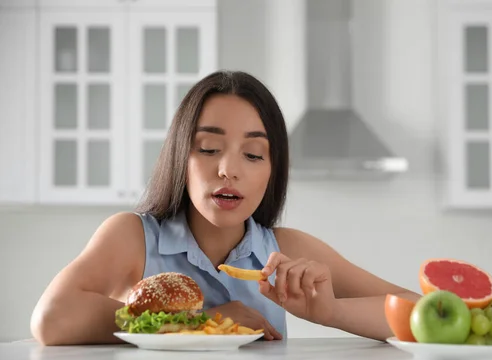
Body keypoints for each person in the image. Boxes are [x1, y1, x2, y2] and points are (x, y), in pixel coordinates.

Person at [30, 70, 420, 345]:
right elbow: (52, 319)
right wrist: (203, 322)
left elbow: (416, 312)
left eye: (252, 154)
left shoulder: (286, 250)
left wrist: (331, 313)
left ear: (273, 171)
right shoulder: (133, 237)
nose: (228, 170)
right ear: (180, 157)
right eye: (209, 149)